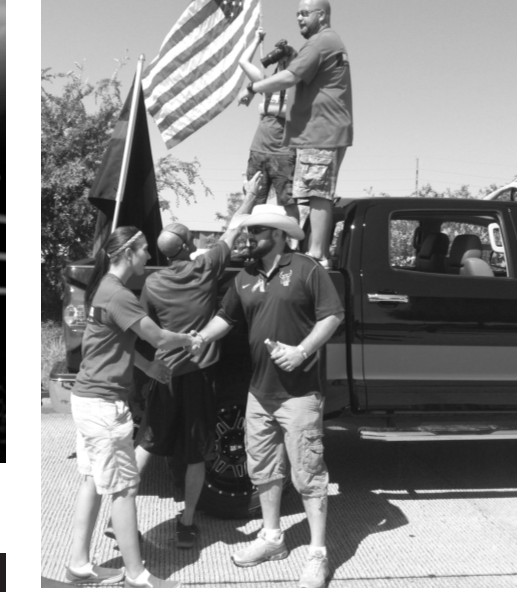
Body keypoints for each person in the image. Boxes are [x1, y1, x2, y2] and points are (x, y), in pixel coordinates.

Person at [193, 206, 344, 587]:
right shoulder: (245, 276)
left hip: (299, 395)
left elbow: (332, 316)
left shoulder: (308, 269)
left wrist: (301, 351)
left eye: (256, 231)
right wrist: (198, 339)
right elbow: (225, 318)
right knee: (263, 471)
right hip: (259, 393)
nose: (248, 238)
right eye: (247, 232)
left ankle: (317, 555)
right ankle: (272, 538)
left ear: (278, 234)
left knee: (308, 475)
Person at [132, 174, 263, 550]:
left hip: (165, 374)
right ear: (189, 245)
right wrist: (251, 193)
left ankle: (117, 514)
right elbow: (235, 228)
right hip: (199, 376)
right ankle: (187, 525)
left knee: (148, 444)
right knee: (195, 454)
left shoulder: (153, 284)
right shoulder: (206, 268)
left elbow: (144, 330)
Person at [67, 227, 197, 588]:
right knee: (123, 489)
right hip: (104, 405)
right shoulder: (120, 294)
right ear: (127, 253)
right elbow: (156, 336)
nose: (147, 258)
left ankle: (79, 564)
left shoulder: (103, 289)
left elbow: (112, 342)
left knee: (94, 480)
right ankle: (137, 575)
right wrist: (190, 338)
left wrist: (147, 367)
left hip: (88, 397)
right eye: (143, 251)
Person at [240, 0, 353, 267]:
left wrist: (254, 88)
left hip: (320, 130)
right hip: (322, 131)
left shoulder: (320, 42)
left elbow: (290, 77)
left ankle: (315, 253)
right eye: (297, 14)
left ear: (322, 16)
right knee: (315, 192)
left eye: (304, 13)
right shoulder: (328, 42)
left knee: (316, 193)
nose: (299, 18)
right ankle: (314, 251)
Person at [237, 28, 299, 222]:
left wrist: (290, 53)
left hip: (283, 153)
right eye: (280, 61)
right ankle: (251, 242)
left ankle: (295, 244)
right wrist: (257, 40)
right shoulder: (266, 83)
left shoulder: (298, 86)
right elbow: (243, 62)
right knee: (253, 200)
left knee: (287, 202)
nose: (282, 63)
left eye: (287, 61)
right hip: (258, 152)